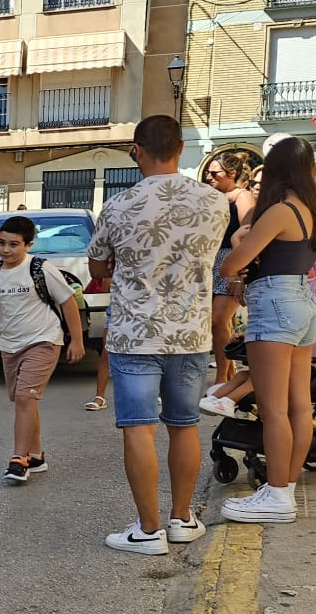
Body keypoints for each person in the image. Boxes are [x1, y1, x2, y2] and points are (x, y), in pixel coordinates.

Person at [88, 115, 229, 554]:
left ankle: (148, 530)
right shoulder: (214, 202)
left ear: (137, 150)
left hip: (134, 333)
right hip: (190, 333)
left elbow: (97, 268)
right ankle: (182, 519)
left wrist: (121, 268)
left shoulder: (117, 205)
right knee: (184, 426)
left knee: (139, 428)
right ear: (181, 148)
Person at [217, 137, 316, 522]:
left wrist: (240, 242)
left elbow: (230, 265)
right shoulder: (315, 211)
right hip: (302, 302)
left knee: (272, 409)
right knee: (299, 406)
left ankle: (278, 496)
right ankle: (285, 487)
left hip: (275, 303)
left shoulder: (281, 210)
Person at [0, 216, 85, 482]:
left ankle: (18, 459)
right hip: (10, 345)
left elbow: (68, 301)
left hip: (43, 340)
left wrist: (77, 341)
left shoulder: (40, 268)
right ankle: (35, 455)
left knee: (25, 398)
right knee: (23, 400)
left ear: (29, 244)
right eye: (1, 243)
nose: (6, 250)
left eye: (14, 244)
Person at [203, 151, 258, 385]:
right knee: (221, 322)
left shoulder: (241, 196)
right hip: (211, 260)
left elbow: (247, 231)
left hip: (230, 259)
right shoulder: (212, 196)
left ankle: (220, 380)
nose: (208, 177)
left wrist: (238, 272)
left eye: (214, 173)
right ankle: (228, 374)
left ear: (232, 174)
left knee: (218, 320)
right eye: (207, 172)